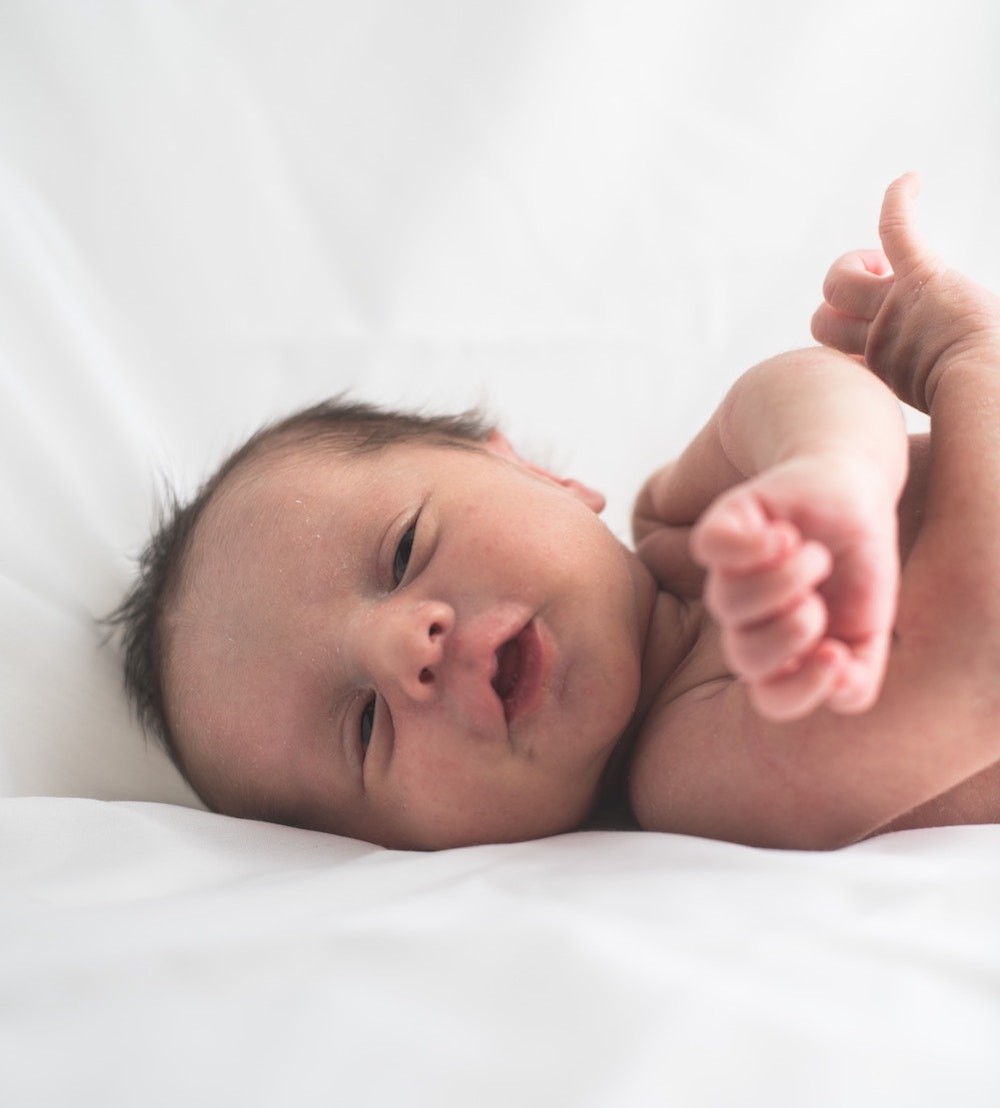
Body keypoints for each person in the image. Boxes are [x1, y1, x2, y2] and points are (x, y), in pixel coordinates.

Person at [110, 175, 1000, 850]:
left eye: (404, 550)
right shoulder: (693, 774)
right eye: (365, 726)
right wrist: (967, 360)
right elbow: (976, 674)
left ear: (540, 474)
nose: (400, 651)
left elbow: (800, 384)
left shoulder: (680, 517)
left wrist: (834, 469)